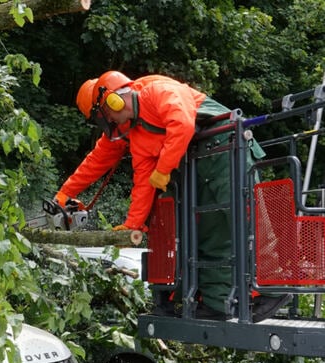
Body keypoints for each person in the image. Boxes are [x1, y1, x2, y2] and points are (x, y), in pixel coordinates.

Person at [54, 70, 289, 322]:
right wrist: (130, 224)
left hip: (225, 146)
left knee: (245, 218)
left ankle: (274, 287)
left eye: (106, 116)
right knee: (209, 232)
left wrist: (163, 168)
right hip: (199, 161)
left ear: (113, 100)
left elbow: (182, 123)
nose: (108, 122)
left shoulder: (157, 91)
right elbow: (140, 181)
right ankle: (216, 302)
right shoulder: (134, 134)